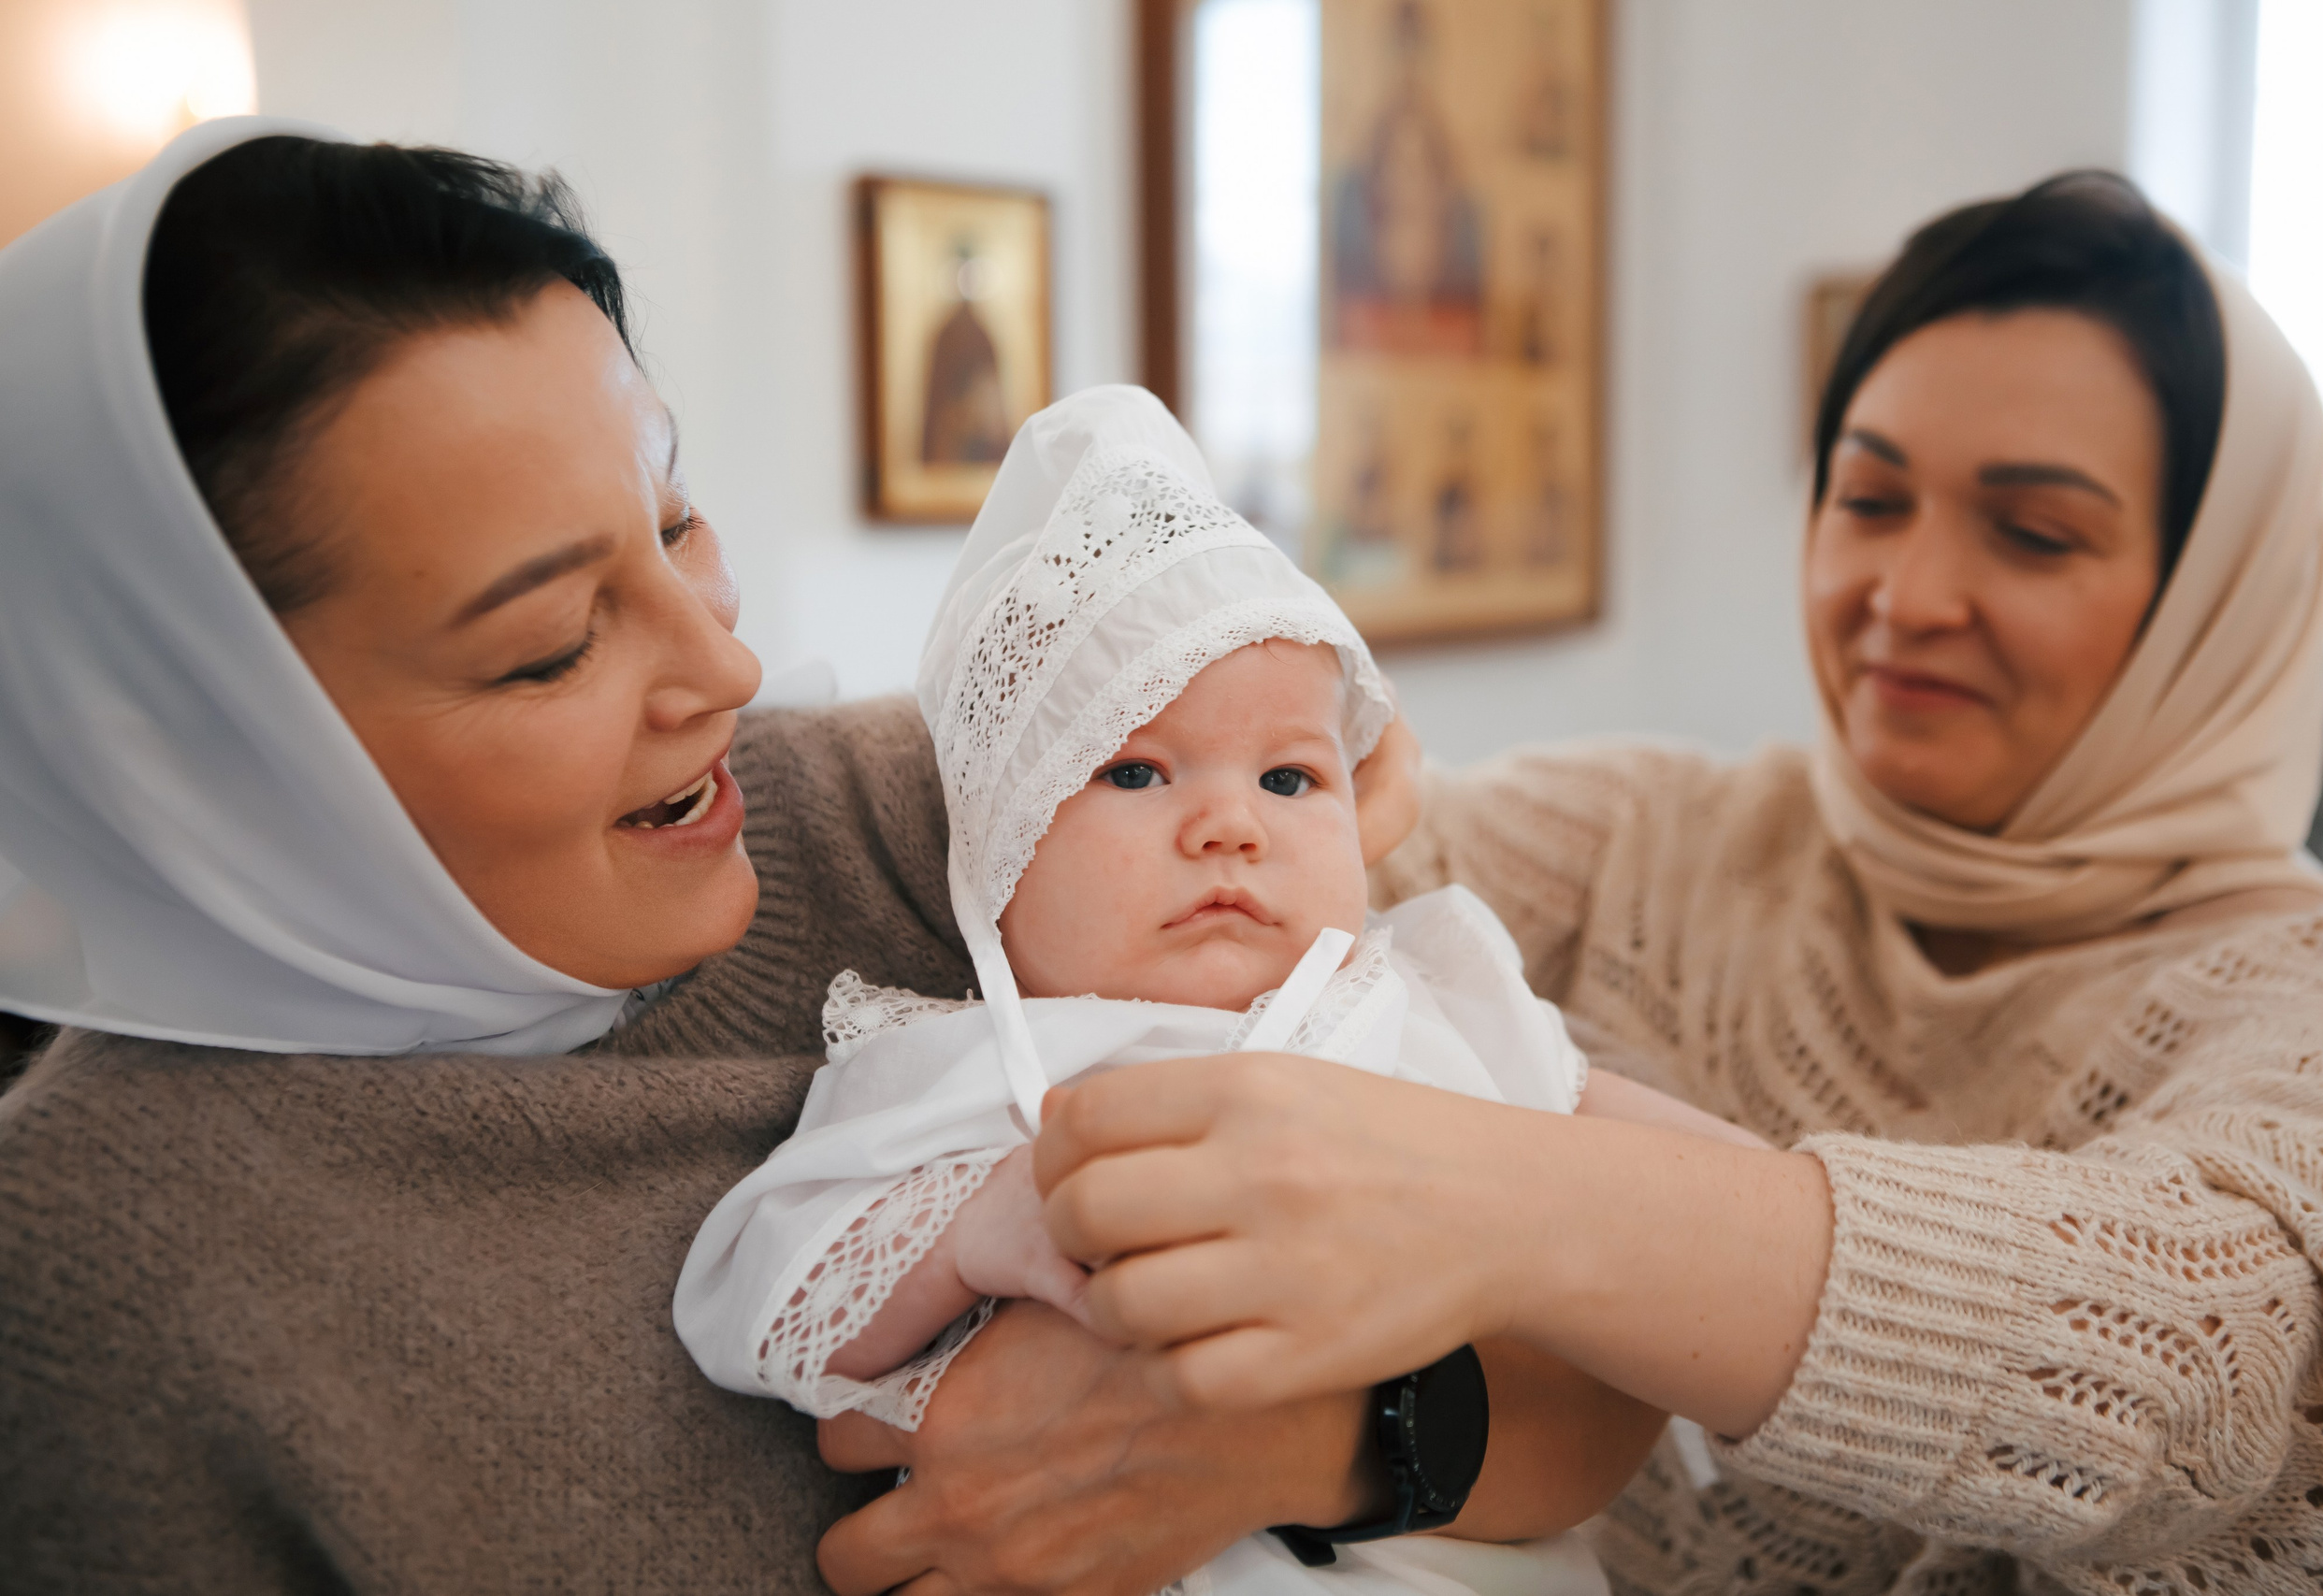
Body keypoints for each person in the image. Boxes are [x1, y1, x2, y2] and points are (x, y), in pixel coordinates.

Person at [0, 122, 1568, 1590]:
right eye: (551, 646)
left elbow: (1606, 1324)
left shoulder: (916, 810)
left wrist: (1321, 1446)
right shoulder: (99, 1276)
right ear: (203, 756)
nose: (724, 673)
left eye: (675, 522)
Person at [811, 175, 2323, 1593]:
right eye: (1869, 496)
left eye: (2035, 534)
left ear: (2218, 597)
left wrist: (1479, 1230)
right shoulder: (1651, 838)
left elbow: (2233, 1356)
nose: (1908, 596)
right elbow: (1053, 832)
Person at [677, 387, 1761, 1591]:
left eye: (1292, 781)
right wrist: (977, 1222)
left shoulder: (1431, 1000)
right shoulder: (965, 1064)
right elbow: (753, 1307)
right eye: (1136, 770)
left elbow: (1724, 1209)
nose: (1231, 825)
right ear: (997, 847)